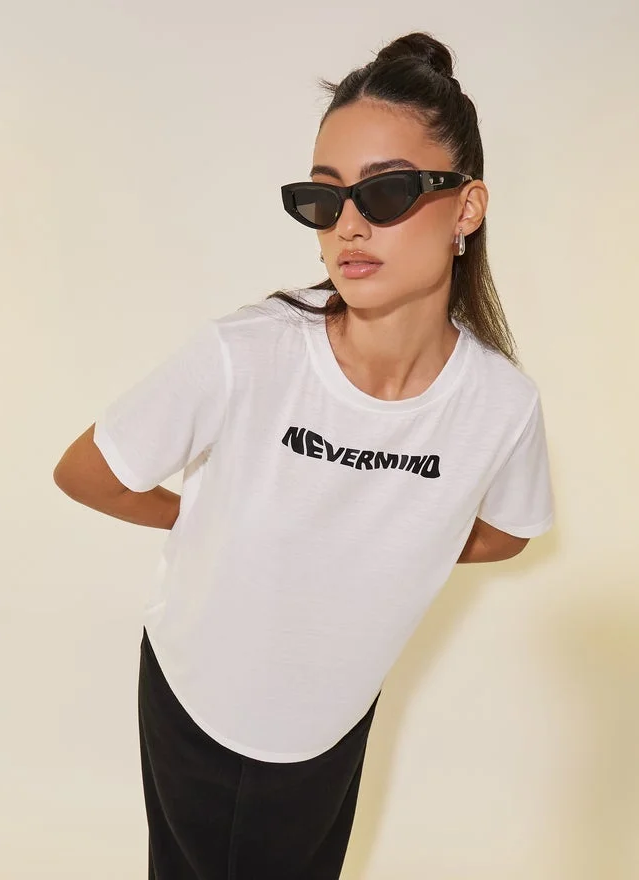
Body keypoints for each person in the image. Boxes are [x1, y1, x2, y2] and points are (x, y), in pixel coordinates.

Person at [53, 31, 554, 880]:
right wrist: (207, 514)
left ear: (467, 208)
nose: (349, 224)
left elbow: (508, 532)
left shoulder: (501, 404)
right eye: (324, 198)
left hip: (334, 716)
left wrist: (402, 537)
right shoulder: (248, 353)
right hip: (202, 696)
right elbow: (86, 472)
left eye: (388, 191)